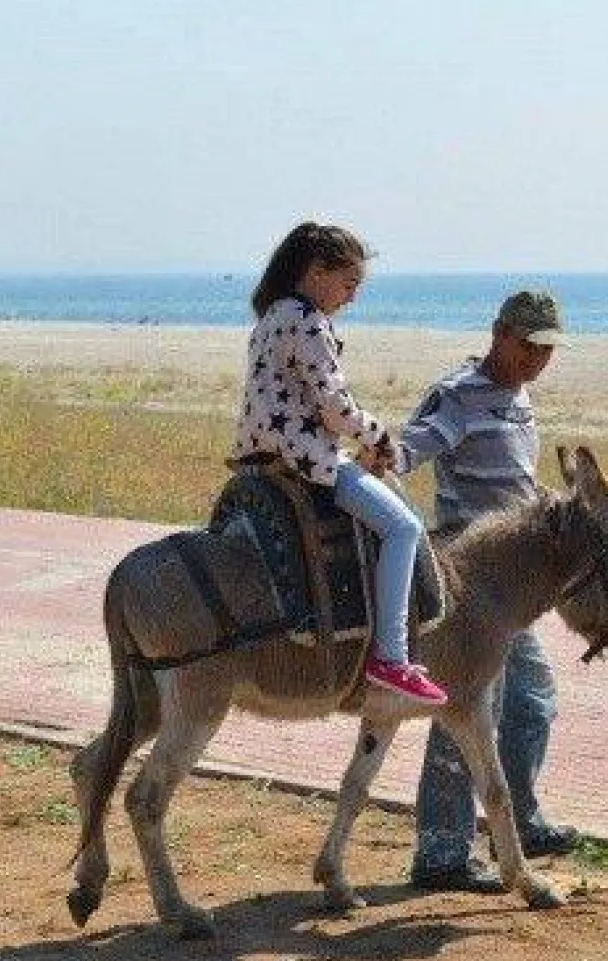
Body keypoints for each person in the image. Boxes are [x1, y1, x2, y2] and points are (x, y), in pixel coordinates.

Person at [388, 289, 579, 892]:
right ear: (498, 333)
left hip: (514, 584)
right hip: (467, 582)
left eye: (546, 349)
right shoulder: (458, 394)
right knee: (467, 709)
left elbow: (517, 484)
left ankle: (519, 822)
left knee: (531, 699)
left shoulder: (521, 399)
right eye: (527, 345)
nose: (536, 359)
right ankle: (441, 853)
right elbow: (413, 449)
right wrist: (380, 457)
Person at [232, 222, 447, 706]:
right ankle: (391, 657)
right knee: (404, 528)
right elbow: (335, 406)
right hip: (305, 459)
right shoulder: (307, 320)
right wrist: (380, 438)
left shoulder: (270, 317)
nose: (351, 298)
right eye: (349, 284)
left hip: (260, 454)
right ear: (316, 272)